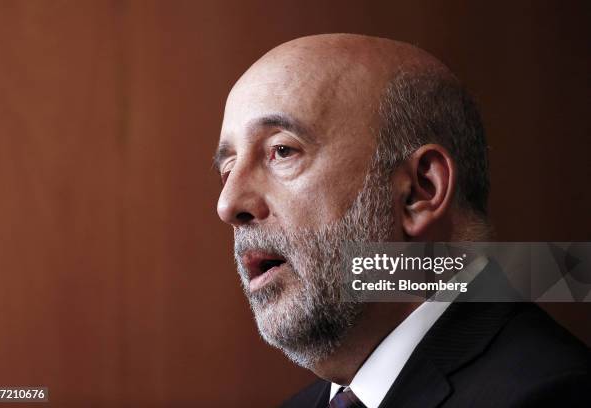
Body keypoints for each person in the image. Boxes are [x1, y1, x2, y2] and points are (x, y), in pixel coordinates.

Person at [214, 34, 591, 407]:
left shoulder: (553, 395)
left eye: (281, 151)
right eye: (228, 168)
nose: (228, 203)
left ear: (419, 191)